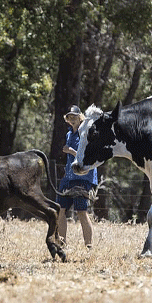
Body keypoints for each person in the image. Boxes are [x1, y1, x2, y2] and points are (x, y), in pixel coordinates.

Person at [58, 105, 97, 251]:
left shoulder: (85, 133)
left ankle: (88, 246)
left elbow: (87, 156)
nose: (72, 119)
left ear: (80, 117)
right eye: (69, 117)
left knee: (81, 211)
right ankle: (62, 244)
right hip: (68, 177)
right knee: (60, 210)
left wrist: (71, 151)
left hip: (83, 177)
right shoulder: (69, 135)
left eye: (74, 117)